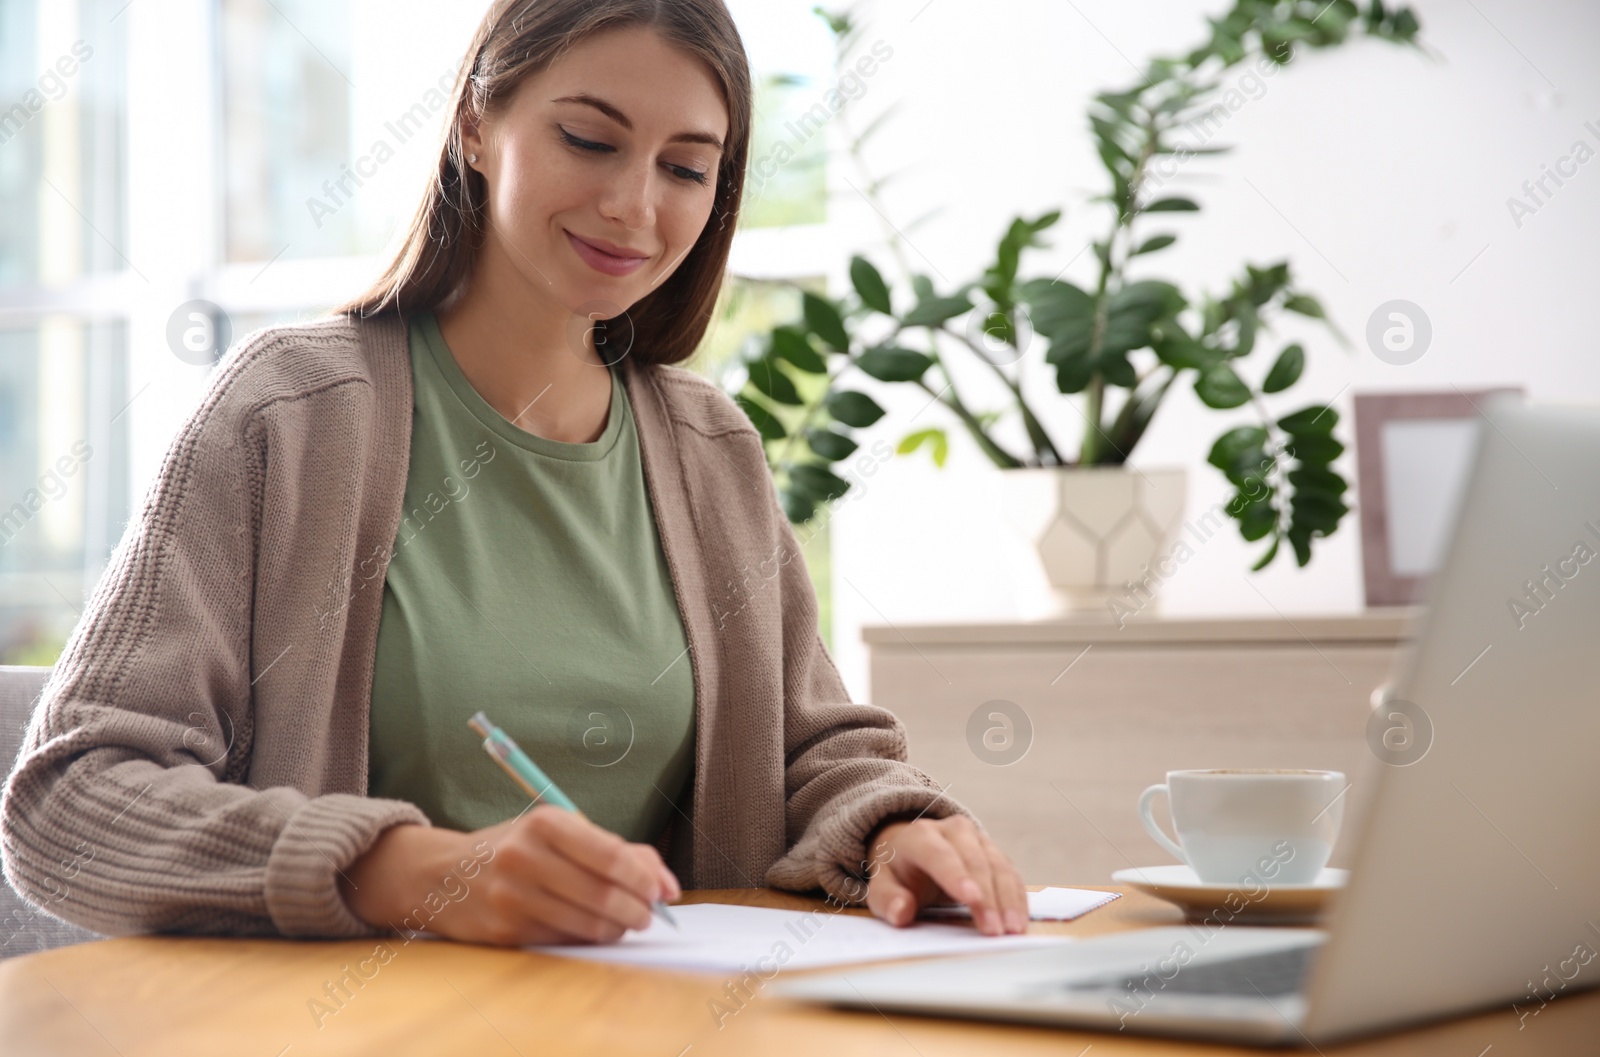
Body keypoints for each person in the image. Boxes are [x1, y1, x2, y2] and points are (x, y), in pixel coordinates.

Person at [0, 0, 1027, 947]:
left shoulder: (709, 447)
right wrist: (404, 870)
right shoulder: (290, 414)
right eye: (589, 139)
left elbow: (808, 749)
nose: (634, 205)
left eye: (686, 167)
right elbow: (72, 796)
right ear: (476, 127)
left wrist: (895, 828)